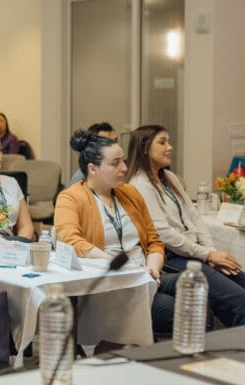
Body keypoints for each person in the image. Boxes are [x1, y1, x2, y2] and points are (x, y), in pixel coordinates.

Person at [127, 125, 245, 326]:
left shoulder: (169, 177)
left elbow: (195, 216)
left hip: (197, 253)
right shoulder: (139, 185)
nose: (170, 147)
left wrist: (210, 252)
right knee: (241, 302)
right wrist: (207, 255)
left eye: (169, 141)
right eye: (163, 142)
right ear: (144, 148)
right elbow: (164, 234)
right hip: (174, 258)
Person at [54, 130, 174, 335]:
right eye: (115, 163)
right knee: (173, 309)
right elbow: (72, 242)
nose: (124, 168)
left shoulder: (130, 193)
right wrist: (118, 263)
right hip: (110, 280)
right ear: (93, 168)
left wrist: (152, 269)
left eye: (124, 161)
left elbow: (154, 241)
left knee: (202, 294)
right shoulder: (70, 198)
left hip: (147, 273)